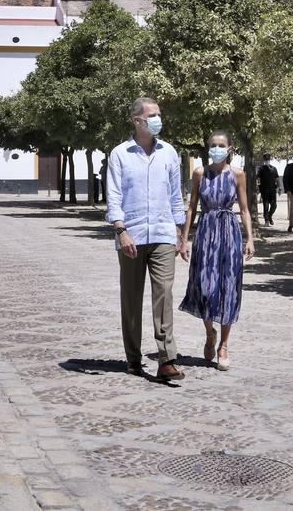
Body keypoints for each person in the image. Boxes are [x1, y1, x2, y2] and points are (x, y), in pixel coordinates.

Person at [106, 97, 186, 382]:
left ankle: (167, 359)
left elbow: (176, 195)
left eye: (159, 114)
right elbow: (114, 196)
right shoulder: (120, 154)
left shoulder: (169, 153)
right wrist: (120, 229)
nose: (157, 119)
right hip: (131, 234)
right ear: (136, 120)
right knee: (131, 298)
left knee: (164, 293)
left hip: (164, 233)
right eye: (152, 115)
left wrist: (181, 232)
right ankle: (133, 358)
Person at [179, 131, 254, 371]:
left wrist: (249, 238)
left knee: (228, 288)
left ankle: (223, 344)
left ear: (230, 149)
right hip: (206, 233)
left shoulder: (237, 174)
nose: (217, 148)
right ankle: (209, 334)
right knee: (205, 288)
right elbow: (191, 207)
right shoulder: (200, 173)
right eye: (213, 145)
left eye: (221, 145)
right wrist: (184, 238)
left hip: (229, 233)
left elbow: (244, 209)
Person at [257, 153, 280, 226]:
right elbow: (258, 179)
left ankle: (269, 216)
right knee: (266, 205)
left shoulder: (274, 169)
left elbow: (277, 179)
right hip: (264, 190)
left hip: (272, 190)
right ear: (264, 160)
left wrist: (279, 188)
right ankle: (266, 220)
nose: (267, 161)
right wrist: (258, 187)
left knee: (274, 205)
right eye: (266, 159)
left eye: (268, 159)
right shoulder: (261, 169)